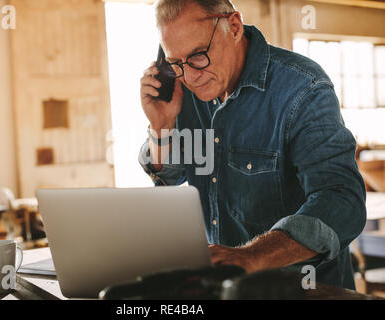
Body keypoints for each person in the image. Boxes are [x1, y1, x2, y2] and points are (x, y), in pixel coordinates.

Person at [138, 0, 366, 290]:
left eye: (198, 55)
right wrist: (161, 125)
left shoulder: (303, 88)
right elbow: (170, 176)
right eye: (175, 63)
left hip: (306, 291)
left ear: (233, 27)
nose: (191, 75)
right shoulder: (186, 89)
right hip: (224, 288)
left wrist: (251, 257)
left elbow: (341, 200)